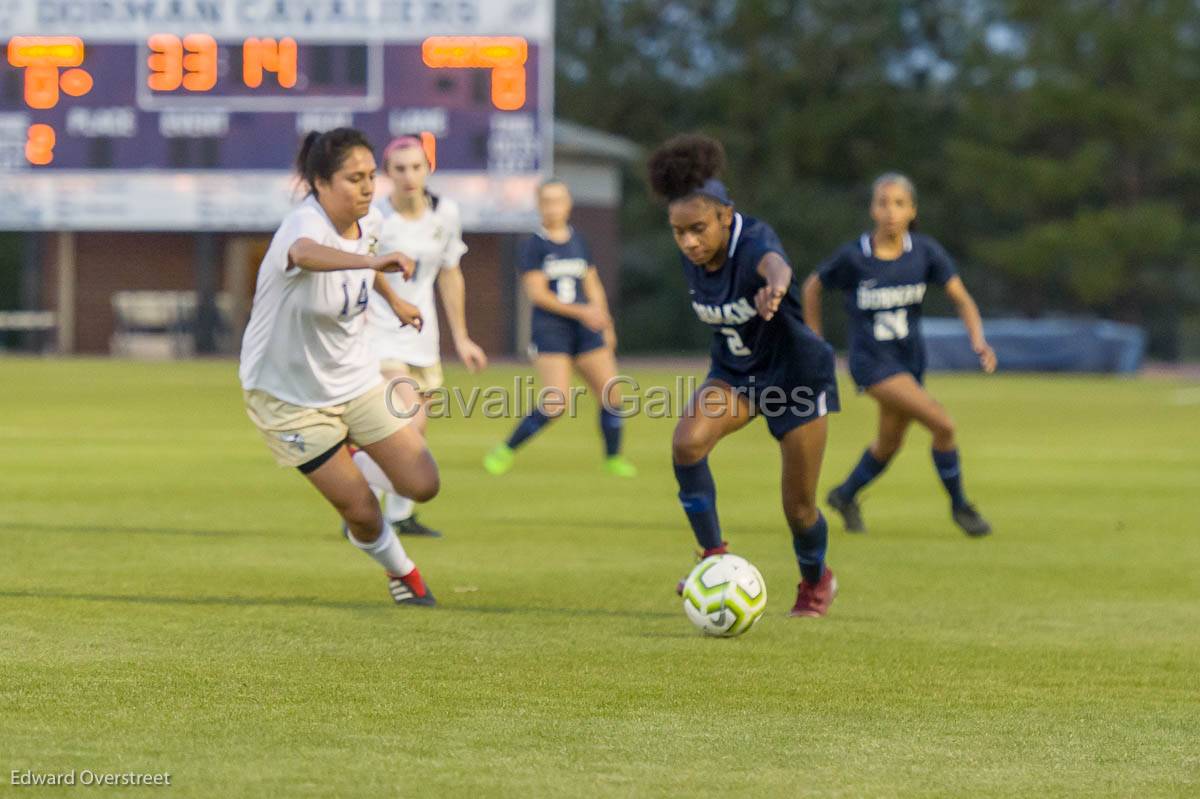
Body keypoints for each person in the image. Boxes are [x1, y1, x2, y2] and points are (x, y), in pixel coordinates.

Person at [238, 127, 438, 606]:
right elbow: (305, 254)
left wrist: (394, 301)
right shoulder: (301, 225)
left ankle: (348, 454)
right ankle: (404, 575)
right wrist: (370, 263)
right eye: (354, 178)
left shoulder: (366, 223)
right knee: (364, 513)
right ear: (321, 183)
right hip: (290, 398)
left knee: (422, 483)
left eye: (372, 176)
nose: (368, 187)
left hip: (355, 381)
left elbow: (368, 260)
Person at [648, 133, 840, 618]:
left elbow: (775, 263)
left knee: (799, 510)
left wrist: (776, 287)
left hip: (796, 380)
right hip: (736, 375)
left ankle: (817, 580)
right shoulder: (691, 252)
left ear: (725, 215)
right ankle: (713, 559)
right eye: (679, 232)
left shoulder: (752, 238)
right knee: (687, 443)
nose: (689, 241)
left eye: (698, 229)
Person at [803, 173, 996, 537]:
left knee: (888, 444)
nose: (890, 211)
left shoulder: (924, 252)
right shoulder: (854, 256)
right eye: (882, 202)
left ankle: (844, 495)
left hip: (909, 362)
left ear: (912, 210)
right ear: (872, 209)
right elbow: (813, 286)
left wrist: (978, 339)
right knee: (943, 424)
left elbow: (961, 298)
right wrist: (815, 339)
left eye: (899, 203)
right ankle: (960, 507)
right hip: (871, 364)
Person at [351, 134, 488, 539]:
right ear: (386, 175)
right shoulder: (376, 218)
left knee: (413, 430)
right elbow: (360, 268)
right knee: (410, 418)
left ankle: (396, 516)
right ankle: (360, 507)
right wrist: (389, 301)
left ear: (428, 168)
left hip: (422, 338)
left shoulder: (445, 213)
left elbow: (449, 273)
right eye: (399, 169)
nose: (409, 176)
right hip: (378, 336)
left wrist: (462, 338)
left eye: (416, 167)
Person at [482, 179, 637, 478]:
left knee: (612, 395)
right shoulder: (533, 245)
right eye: (547, 201)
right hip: (552, 330)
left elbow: (592, 283)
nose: (553, 207)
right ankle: (505, 450)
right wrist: (583, 311)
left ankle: (613, 458)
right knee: (556, 403)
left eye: (558, 201)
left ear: (568, 204)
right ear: (539, 205)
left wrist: (605, 321)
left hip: (586, 329)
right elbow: (538, 294)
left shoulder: (579, 240)